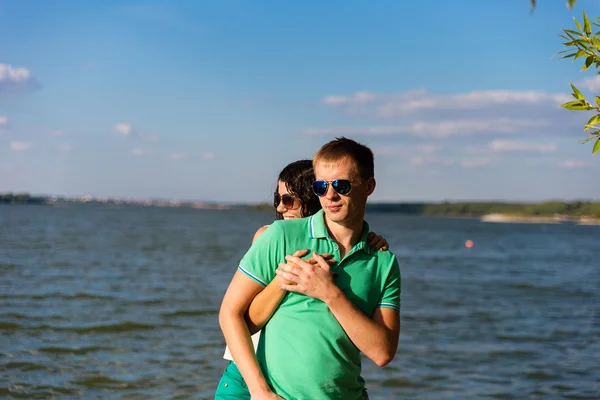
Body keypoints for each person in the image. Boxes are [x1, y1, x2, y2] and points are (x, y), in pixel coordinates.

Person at [218, 139, 401, 399]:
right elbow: (231, 314)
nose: (330, 195)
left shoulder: (384, 261)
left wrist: (329, 293)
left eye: (341, 185)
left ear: (369, 186)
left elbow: (383, 353)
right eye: (321, 187)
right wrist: (260, 393)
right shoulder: (278, 235)